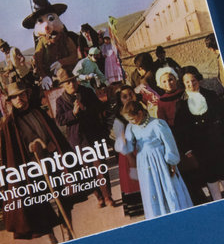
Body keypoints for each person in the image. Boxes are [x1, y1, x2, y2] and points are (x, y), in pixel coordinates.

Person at [0, 80, 68, 242]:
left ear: (27, 95)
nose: (19, 99)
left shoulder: (38, 113)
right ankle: (51, 237)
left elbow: (52, 133)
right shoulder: (9, 123)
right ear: (10, 101)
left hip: (50, 161)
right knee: (40, 204)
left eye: (21, 94)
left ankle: (66, 228)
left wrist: (51, 143)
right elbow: (11, 154)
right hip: (31, 169)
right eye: (14, 97)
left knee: (63, 195)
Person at [173, 66, 224, 202]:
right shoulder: (181, 103)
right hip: (199, 145)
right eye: (187, 82)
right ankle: (217, 200)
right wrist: (186, 148)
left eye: (193, 80)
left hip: (218, 140)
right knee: (209, 173)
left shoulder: (211, 95)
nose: (191, 84)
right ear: (183, 83)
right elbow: (180, 129)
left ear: (198, 80)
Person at [53, 66, 115, 207]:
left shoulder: (87, 92)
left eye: (73, 80)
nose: (72, 84)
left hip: (94, 135)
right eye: (68, 82)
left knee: (100, 166)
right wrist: (73, 113)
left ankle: (107, 196)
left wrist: (85, 108)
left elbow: (99, 107)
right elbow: (60, 120)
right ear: (63, 85)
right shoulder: (60, 101)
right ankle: (98, 196)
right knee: (87, 171)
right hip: (77, 140)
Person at [119, 100, 192, 219]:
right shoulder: (131, 127)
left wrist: (172, 163)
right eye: (129, 120)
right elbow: (130, 145)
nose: (131, 122)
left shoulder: (157, 124)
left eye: (132, 119)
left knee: (168, 186)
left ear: (140, 113)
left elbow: (169, 143)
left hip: (160, 161)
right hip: (144, 162)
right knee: (151, 188)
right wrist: (124, 142)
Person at [109, 85, 144, 217]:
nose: (129, 97)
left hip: (143, 150)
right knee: (136, 182)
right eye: (125, 97)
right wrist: (131, 159)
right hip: (130, 155)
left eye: (131, 94)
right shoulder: (119, 118)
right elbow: (121, 142)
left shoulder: (141, 108)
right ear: (120, 100)